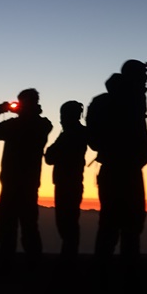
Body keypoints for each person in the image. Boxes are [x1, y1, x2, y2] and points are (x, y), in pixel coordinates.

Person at [87, 60, 147, 294]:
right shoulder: (127, 101)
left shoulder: (107, 102)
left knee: (117, 225)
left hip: (121, 169)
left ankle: (108, 281)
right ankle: (124, 283)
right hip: (123, 170)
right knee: (124, 226)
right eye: (143, 76)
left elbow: (94, 139)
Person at [0, 88, 53, 270]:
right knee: (28, 226)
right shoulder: (43, 124)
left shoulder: (20, 125)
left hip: (13, 182)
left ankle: (8, 264)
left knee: (9, 226)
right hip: (28, 183)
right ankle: (33, 265)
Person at [44, 100, 88, 266]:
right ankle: (69, 257)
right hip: (71, 182)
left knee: (66, 222)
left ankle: (68, 260)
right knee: (69, 221)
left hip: (67, 183)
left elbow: (49, 157)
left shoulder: (70, 134)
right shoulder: (77, 132)